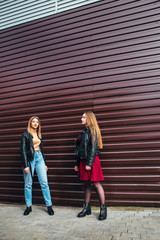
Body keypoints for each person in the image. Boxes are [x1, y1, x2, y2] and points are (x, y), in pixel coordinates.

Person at [74, 111, 107, 221]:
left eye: (83, 117)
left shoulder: (93, 130)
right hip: (83, 161)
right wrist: (77, 163)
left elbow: (93, 148)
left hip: (91, 161)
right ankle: (86, 208)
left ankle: (103, 209)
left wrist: (89, 163)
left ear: (89, 118)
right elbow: (79, 150)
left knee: (97, 184)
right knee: (87, 184)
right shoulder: (84, 132)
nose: (81, 118)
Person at [20, 116, 54, 216]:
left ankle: (49, 206)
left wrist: (45, 163)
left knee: (44, 183)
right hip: (30, 159)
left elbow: (42, 149)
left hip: (39, 158)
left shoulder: (39, 134)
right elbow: (23, 151)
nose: (35, 123)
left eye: (37, 122)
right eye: (33, 122)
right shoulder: (25, 134)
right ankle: (28, 206)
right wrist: (25, 165)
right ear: (30, 123)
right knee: (28, 184)